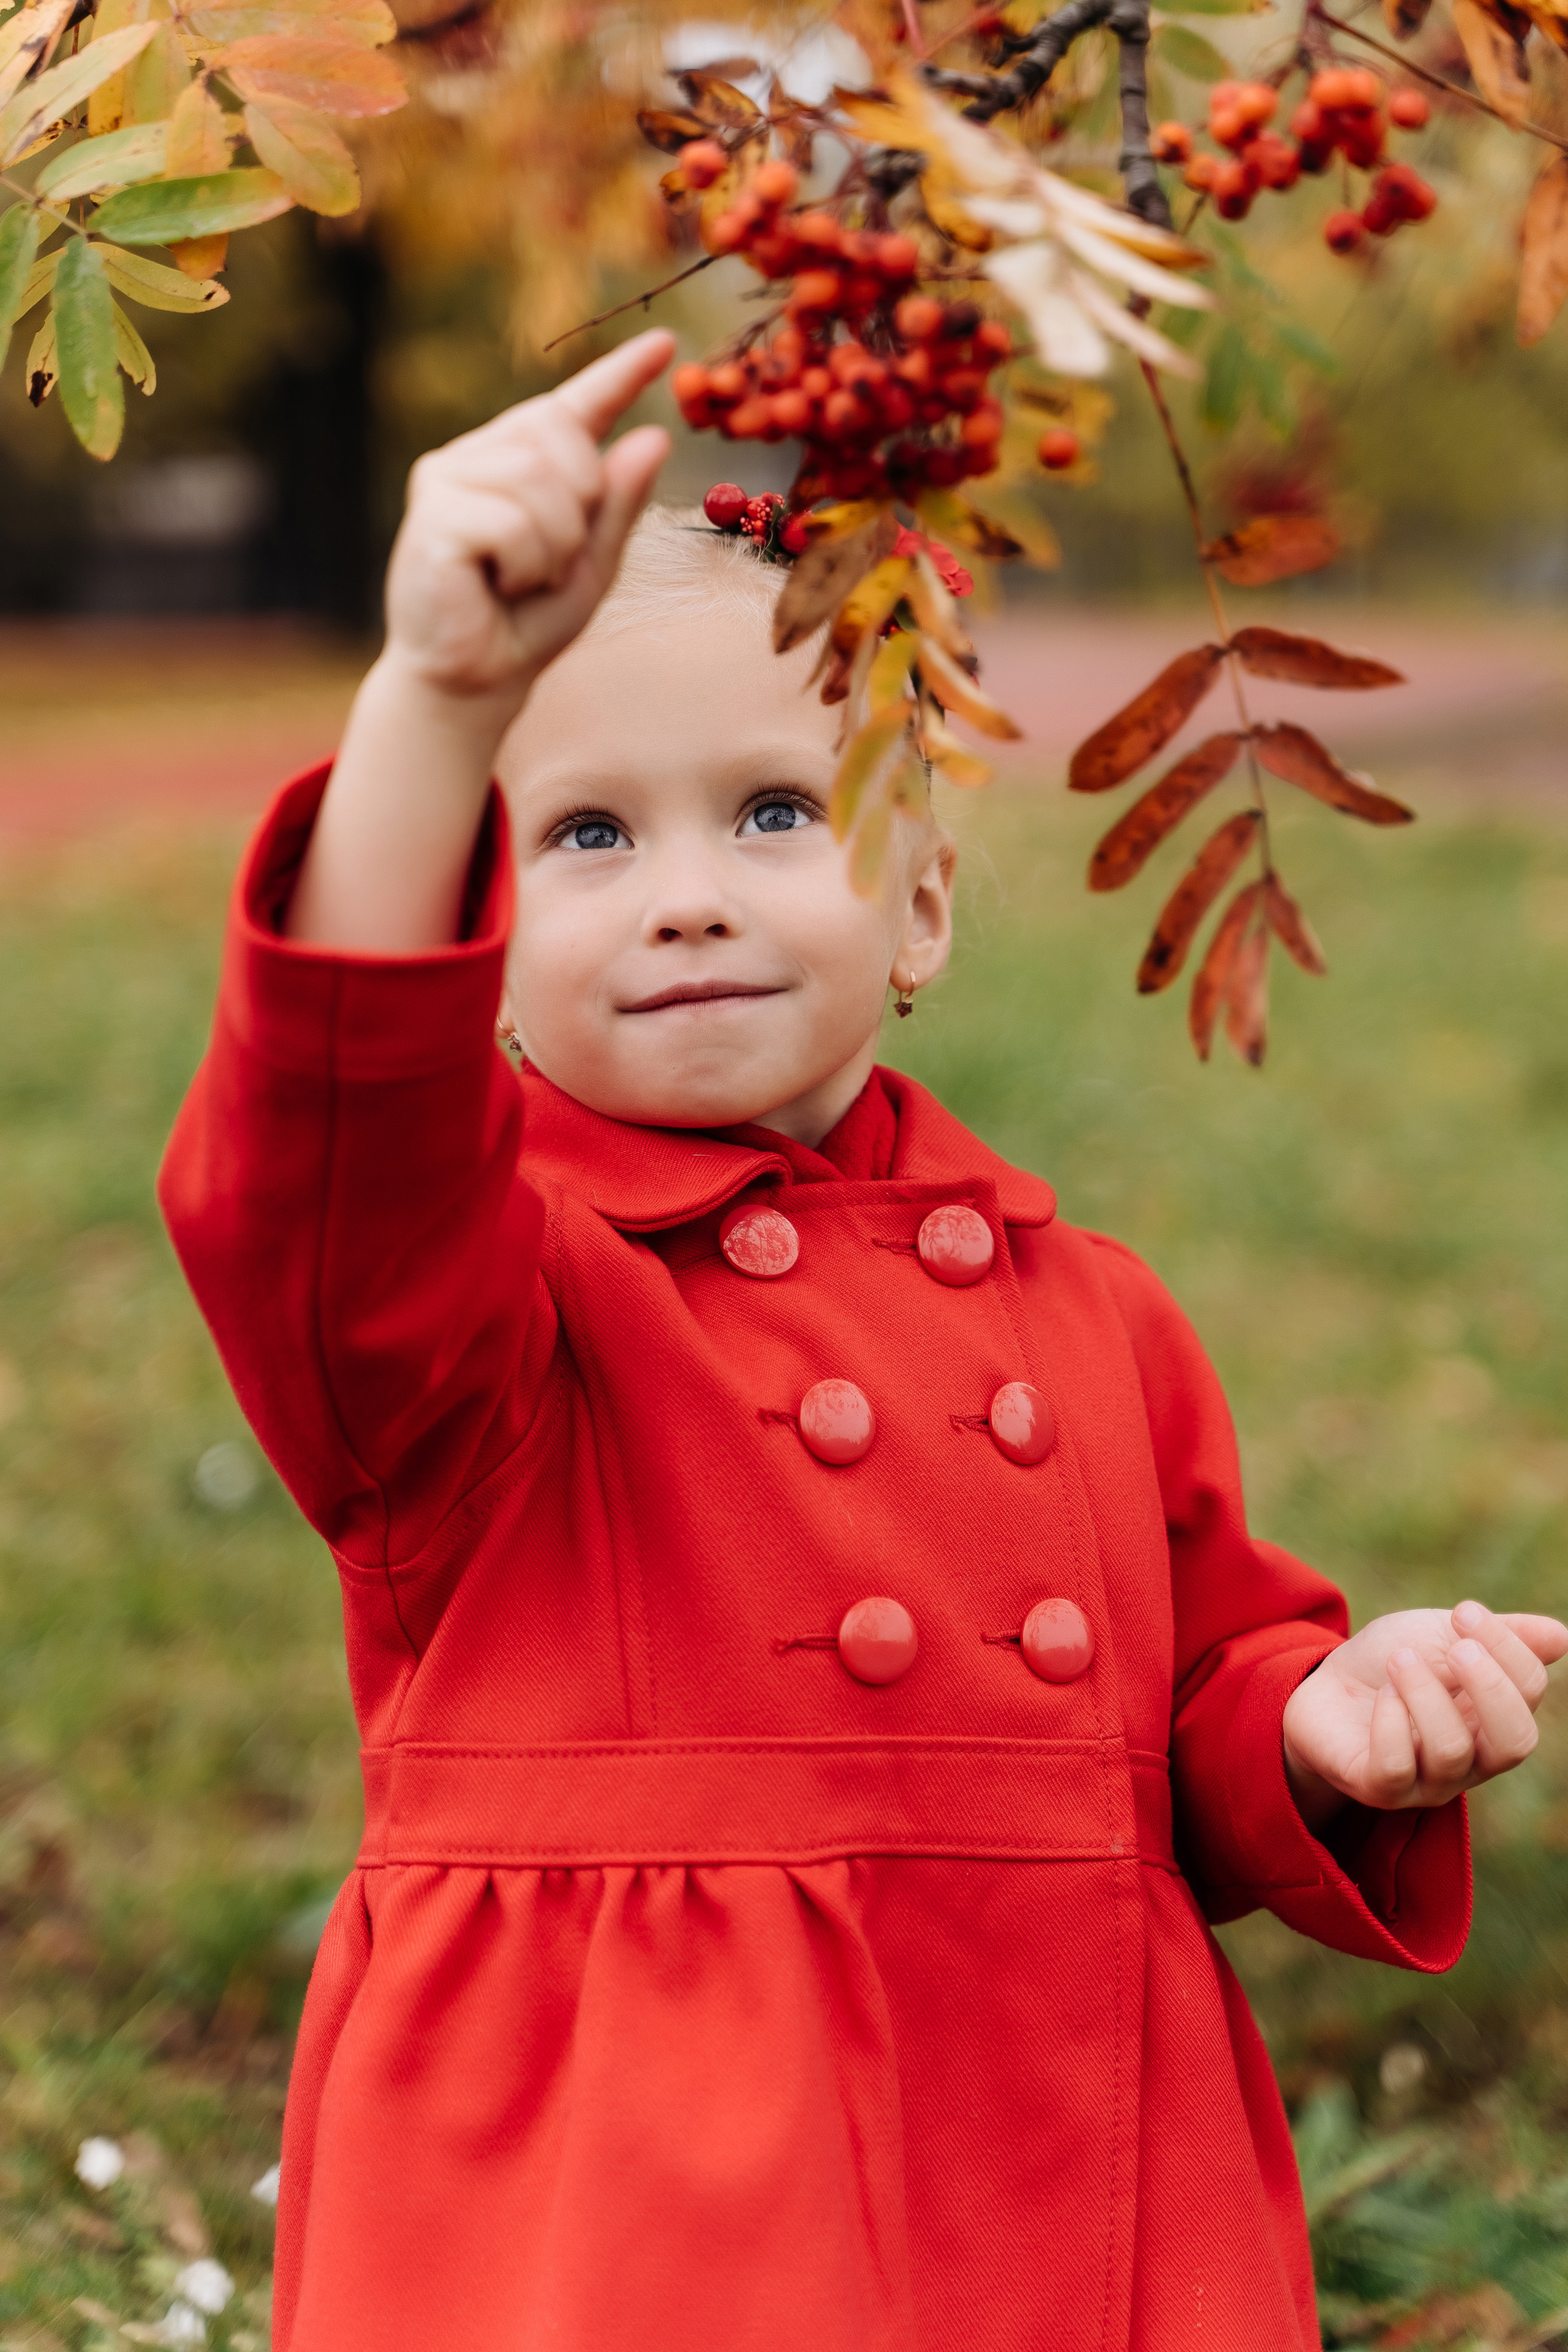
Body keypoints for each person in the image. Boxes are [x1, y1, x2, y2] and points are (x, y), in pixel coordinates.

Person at [159, 328, 1566, 2352]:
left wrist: (1319, 1725)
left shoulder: (1090, 1310)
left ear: (920, 911)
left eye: (771, 811)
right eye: (585, 837)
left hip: (1064, 2160)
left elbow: (1194, 1703)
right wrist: (439, 702)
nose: (684, 900)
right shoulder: (485, 1320)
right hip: (635, 2198)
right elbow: (315, 1166)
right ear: (480, 935)